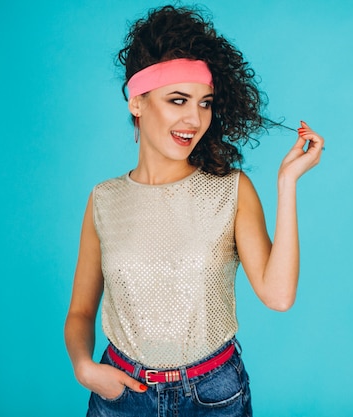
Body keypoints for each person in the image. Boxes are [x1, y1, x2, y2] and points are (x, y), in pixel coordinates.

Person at [64, 5, 324, 417]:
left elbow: (278, 295)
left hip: (213, 396)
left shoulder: (229, 190)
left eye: (204, 103)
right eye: (178, 100)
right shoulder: (104, 199)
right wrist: (83, 366)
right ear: (137, 102)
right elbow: (80, 311)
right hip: (121, 396)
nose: (194, 118)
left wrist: (287, 184)